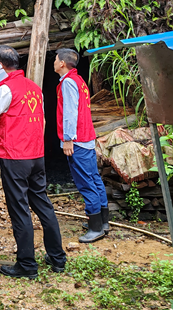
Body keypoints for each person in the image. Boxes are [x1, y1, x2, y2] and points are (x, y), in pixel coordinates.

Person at [0, 45, 66, 279]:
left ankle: (27, 265)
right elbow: (43, 122)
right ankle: (57, 259)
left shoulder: (6, 88)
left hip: (15, 157)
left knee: (19, 210)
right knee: (43, 205)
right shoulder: (34, 88)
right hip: (37, 156)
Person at [53, 48, 108, 243]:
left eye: (56, 59)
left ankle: (95, 228)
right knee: (94, 177)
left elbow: (70, 112)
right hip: (87, 138)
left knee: (85, 182)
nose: (54, 62)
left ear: (62, 64)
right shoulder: (79, 80)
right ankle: (103, 221)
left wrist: (68, 139)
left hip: (77, 140)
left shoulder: (68, 82)